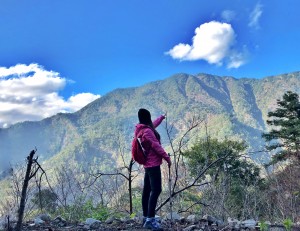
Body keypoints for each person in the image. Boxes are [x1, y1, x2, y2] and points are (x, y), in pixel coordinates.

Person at [134, 108, 171, 231]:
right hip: (153, 165)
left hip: (147, 165)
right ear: (148, 117)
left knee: (147, 191)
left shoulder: (141, 129)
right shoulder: (148, 132)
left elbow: (152, 125)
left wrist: (161, 117)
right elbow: (156, 146)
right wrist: (167, 158)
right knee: (156, 190)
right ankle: (150, 219)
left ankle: (145, 217)